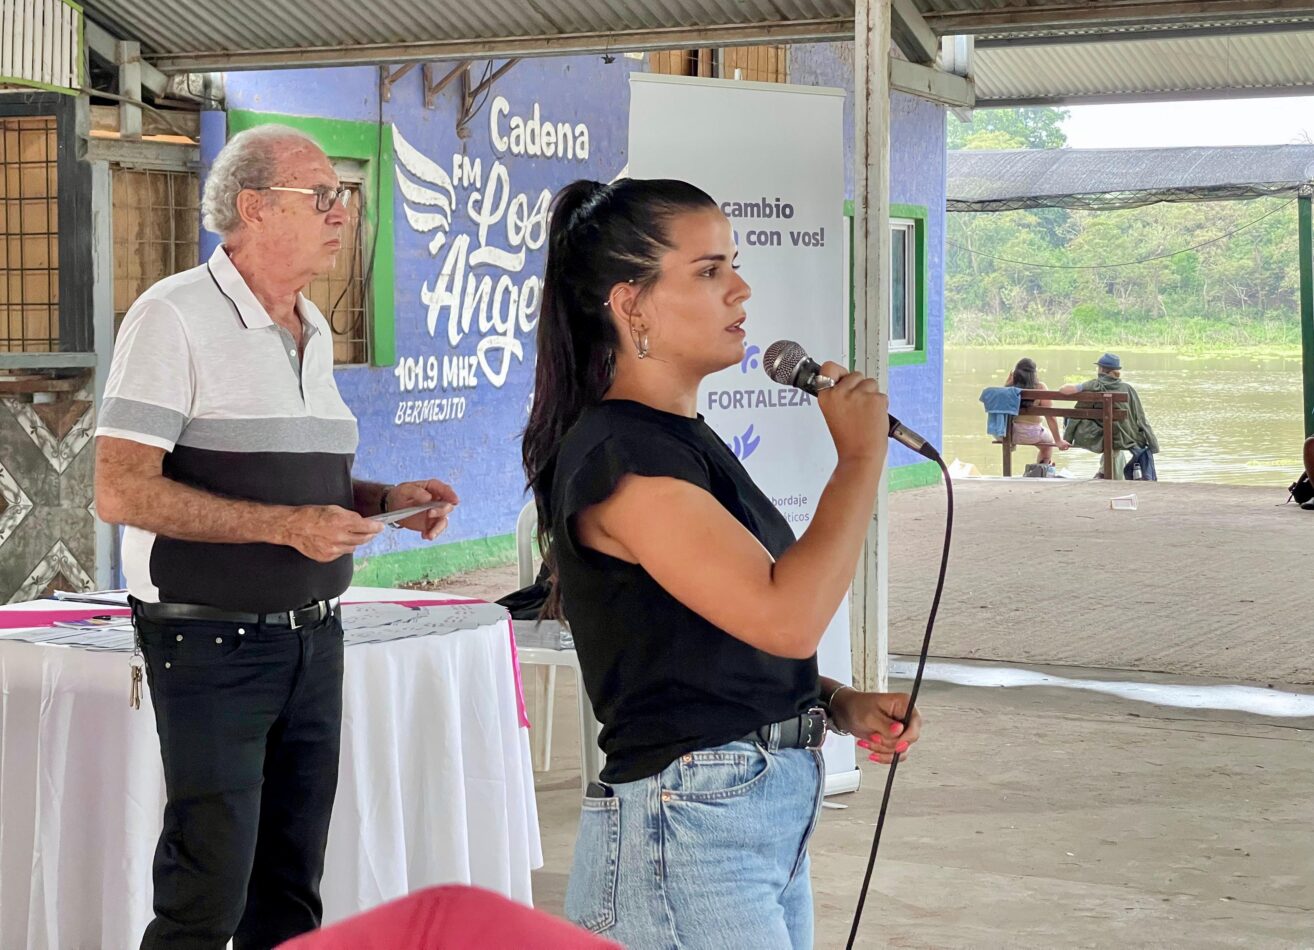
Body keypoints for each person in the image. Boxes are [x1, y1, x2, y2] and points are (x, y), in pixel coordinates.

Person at [522, 178, 923, 949]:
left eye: (733, 265)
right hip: (690, 831)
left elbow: (695, 644)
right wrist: (860, 459)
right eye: (709, 271)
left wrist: (830, 702)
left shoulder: (679, 441)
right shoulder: (623, 457)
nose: (740, 289)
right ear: (632, 305)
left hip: (747, 817)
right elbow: (786, 618)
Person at [94, 124, 458, 950]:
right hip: (209, 641)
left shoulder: (312, 327)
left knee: (291, 891)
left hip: (314, 640)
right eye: (321, 195)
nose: (342, 213)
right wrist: (285, 527)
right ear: (254, 208)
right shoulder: (172, 316)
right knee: (206, 893)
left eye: (343, 197)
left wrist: (383, 500)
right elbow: (121, 490)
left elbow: (299, 482)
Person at [1058, 353, 1159, 479]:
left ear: (1101, 369)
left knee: (1110, 440)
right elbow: (1140, 416)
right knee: (1115, 445)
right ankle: (1106, 474)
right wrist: (1151, 442)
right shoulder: (1128, 388)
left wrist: (1068, 437)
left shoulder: (1095, 385)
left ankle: (1103, 473)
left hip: (1098, 435)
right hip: (1124, 436)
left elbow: (1065, 390)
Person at [1004, 357, 1069, 475]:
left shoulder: (1009, 388)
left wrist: (1007, 383)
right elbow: (1050, 416)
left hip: (1009, 434)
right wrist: (1058, 440)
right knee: (1047, 445)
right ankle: (1039, 473)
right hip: (1032, 434)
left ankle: (1008, 474)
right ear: (1033, 373)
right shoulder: (1040, 387)